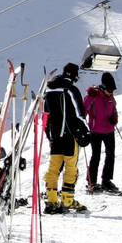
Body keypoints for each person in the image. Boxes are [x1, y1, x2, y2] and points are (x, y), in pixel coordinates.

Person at [43, 62, 90, 213]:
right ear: (75, 76)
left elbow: (46, 115)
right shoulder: (71, 90)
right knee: (71, 167)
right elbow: (79, 114)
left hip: (55, 135)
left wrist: (48, 133)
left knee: (54, 167)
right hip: (70, 135)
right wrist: (86, 132)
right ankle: (67, 200)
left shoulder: (48, 90)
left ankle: (51, 200)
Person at [83, 71, 120, 194]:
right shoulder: (93, 95)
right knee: (96, 155)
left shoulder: (111, 98)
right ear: (103, 87)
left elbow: (114, 110)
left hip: (109, 130)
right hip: (96, 130)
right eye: (109, 90)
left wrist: (114, 118)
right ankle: (91, 181)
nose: (111, 92)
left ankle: (106, 180)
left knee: (110, 155)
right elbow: (83, 110)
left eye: (113, 90)